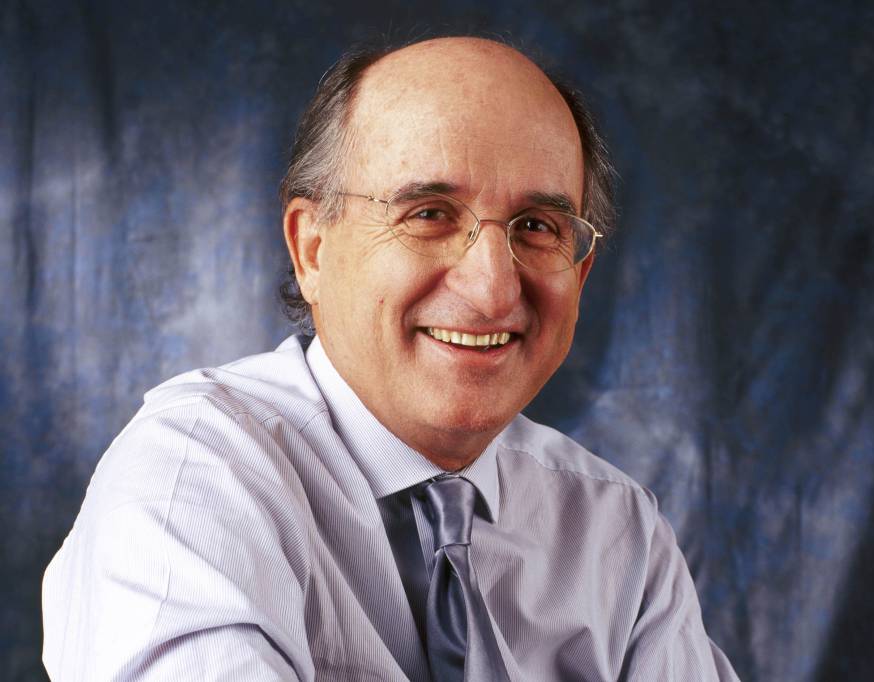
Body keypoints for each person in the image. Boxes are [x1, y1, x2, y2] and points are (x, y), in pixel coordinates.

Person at [42, 37, 738, 681]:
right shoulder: (192, 477)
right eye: (429, 214)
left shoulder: (618, 533)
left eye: (537, 227)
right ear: (312, 249)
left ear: (579, 276)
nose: (494, 288)